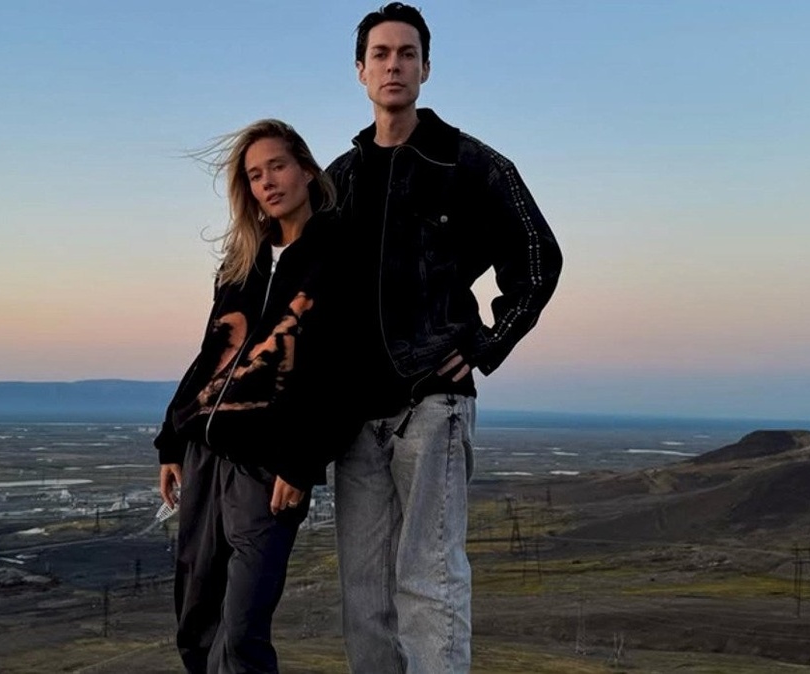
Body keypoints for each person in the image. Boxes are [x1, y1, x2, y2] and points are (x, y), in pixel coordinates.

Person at [325, 3, 564, 672]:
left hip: (433, 401)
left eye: (407, 53)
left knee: (429, 582)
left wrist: (487, 344)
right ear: (360, 70)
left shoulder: (469, 162)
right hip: (354, 418)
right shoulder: (340, 178)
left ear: (426, 68)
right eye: (381, 54)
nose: (393, 65)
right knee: (364, 593)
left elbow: (538, 258)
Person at [154, 119, 351, 674]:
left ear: (306, 170)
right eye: (255, 175)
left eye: (277, 167)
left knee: (241, 632)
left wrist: (302, 460)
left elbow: (341, 372)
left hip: (269, 467)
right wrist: (172, 440)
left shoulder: (338, 254)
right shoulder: (241, 262)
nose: (267, 182)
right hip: (205, 455)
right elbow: (211, 354)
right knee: (195, 623)